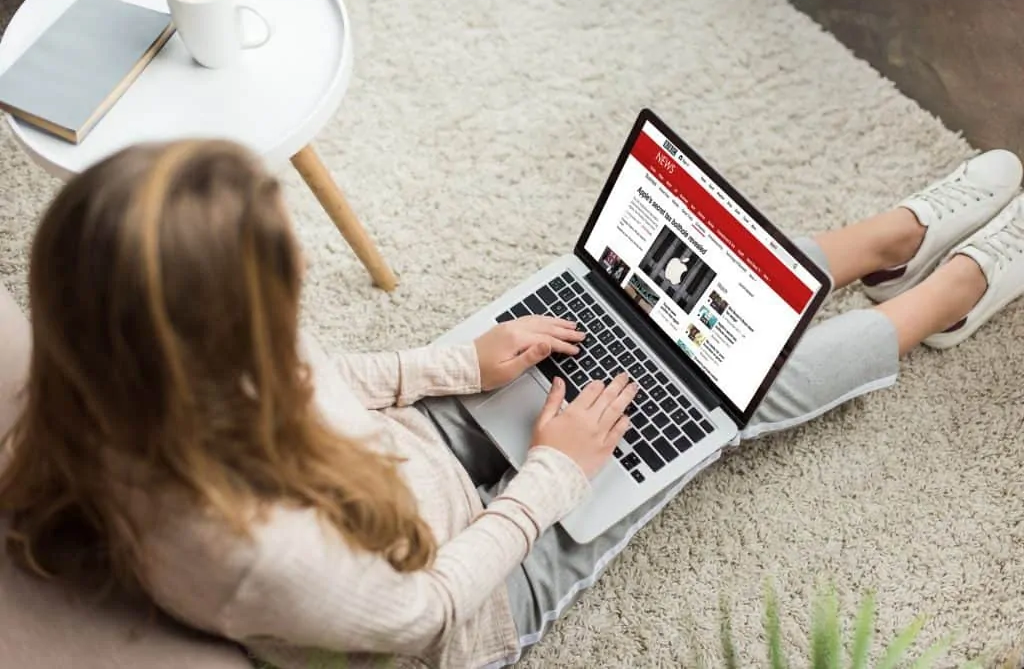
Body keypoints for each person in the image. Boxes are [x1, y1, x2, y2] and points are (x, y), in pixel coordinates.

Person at [0, 140, 1021, 669]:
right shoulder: (253, 550)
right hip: (477, 586)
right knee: (705, 402)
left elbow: (327, 379)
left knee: (632, 308)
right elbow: (421, 614)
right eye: (284, 270)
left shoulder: (123, 359)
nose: (305, 264)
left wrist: (456, 363)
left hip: (404, 462)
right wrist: (552, 474)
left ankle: (869, 245)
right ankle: (947, 295)